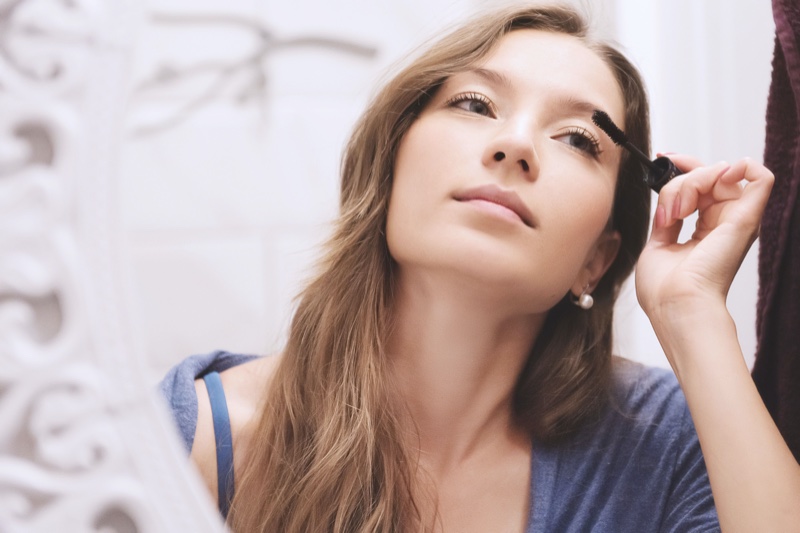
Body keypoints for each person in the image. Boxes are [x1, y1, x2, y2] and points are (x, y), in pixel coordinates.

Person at [160, 3, 800, 532]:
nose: (516, 145)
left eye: (578, 138)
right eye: (474, 104)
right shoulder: (193, 439)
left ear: (596, 259)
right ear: (388, 171)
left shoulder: (662, 446)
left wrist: (693, 311)